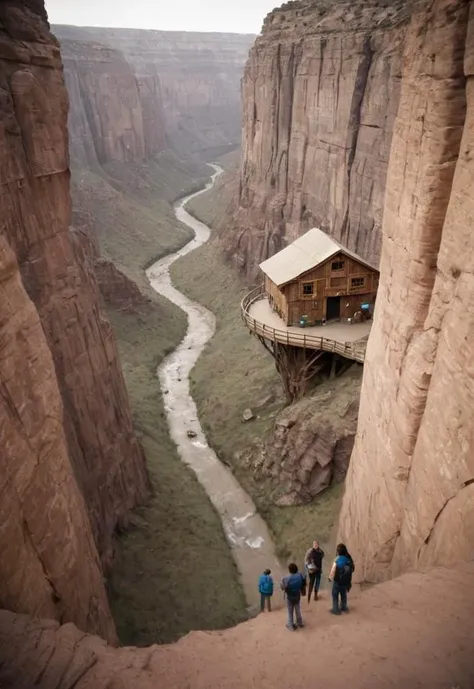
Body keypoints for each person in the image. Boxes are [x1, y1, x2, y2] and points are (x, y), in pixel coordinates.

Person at [328, 543, 354, 615]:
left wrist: (330, 578)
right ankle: (343, 607)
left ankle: (336, 609)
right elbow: (352, 569)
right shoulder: (349, 559)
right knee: (343, 594)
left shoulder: (337, 559)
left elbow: (333, 570)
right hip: (346, 582)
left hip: (337, 581)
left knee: (335, 594)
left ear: (338, 551)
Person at [281, 563, 306, 630]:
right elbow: (304, 582)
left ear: (290, 570)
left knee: (290, 611)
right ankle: (300, 622)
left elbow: (282, 587)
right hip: (297, 595)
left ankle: (290, 625)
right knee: (297, 608)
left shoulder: (287, 578)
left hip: (290, 596)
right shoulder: (300, 575)